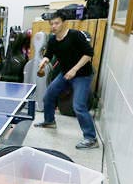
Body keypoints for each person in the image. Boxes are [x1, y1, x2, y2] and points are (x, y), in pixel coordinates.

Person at [34, 10, 98, 149]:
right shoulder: (52, 39)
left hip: (82, 75)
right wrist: (44, 61)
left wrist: (75, 69)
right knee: (48, 96)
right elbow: (49, 54)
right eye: (51, 24)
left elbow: (89, 54)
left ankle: (91, 138)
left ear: (64, 23)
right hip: (65, 74)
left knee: (79, 106)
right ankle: (49, 121)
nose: (54, 26)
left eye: (56, 23)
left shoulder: (75, 36)